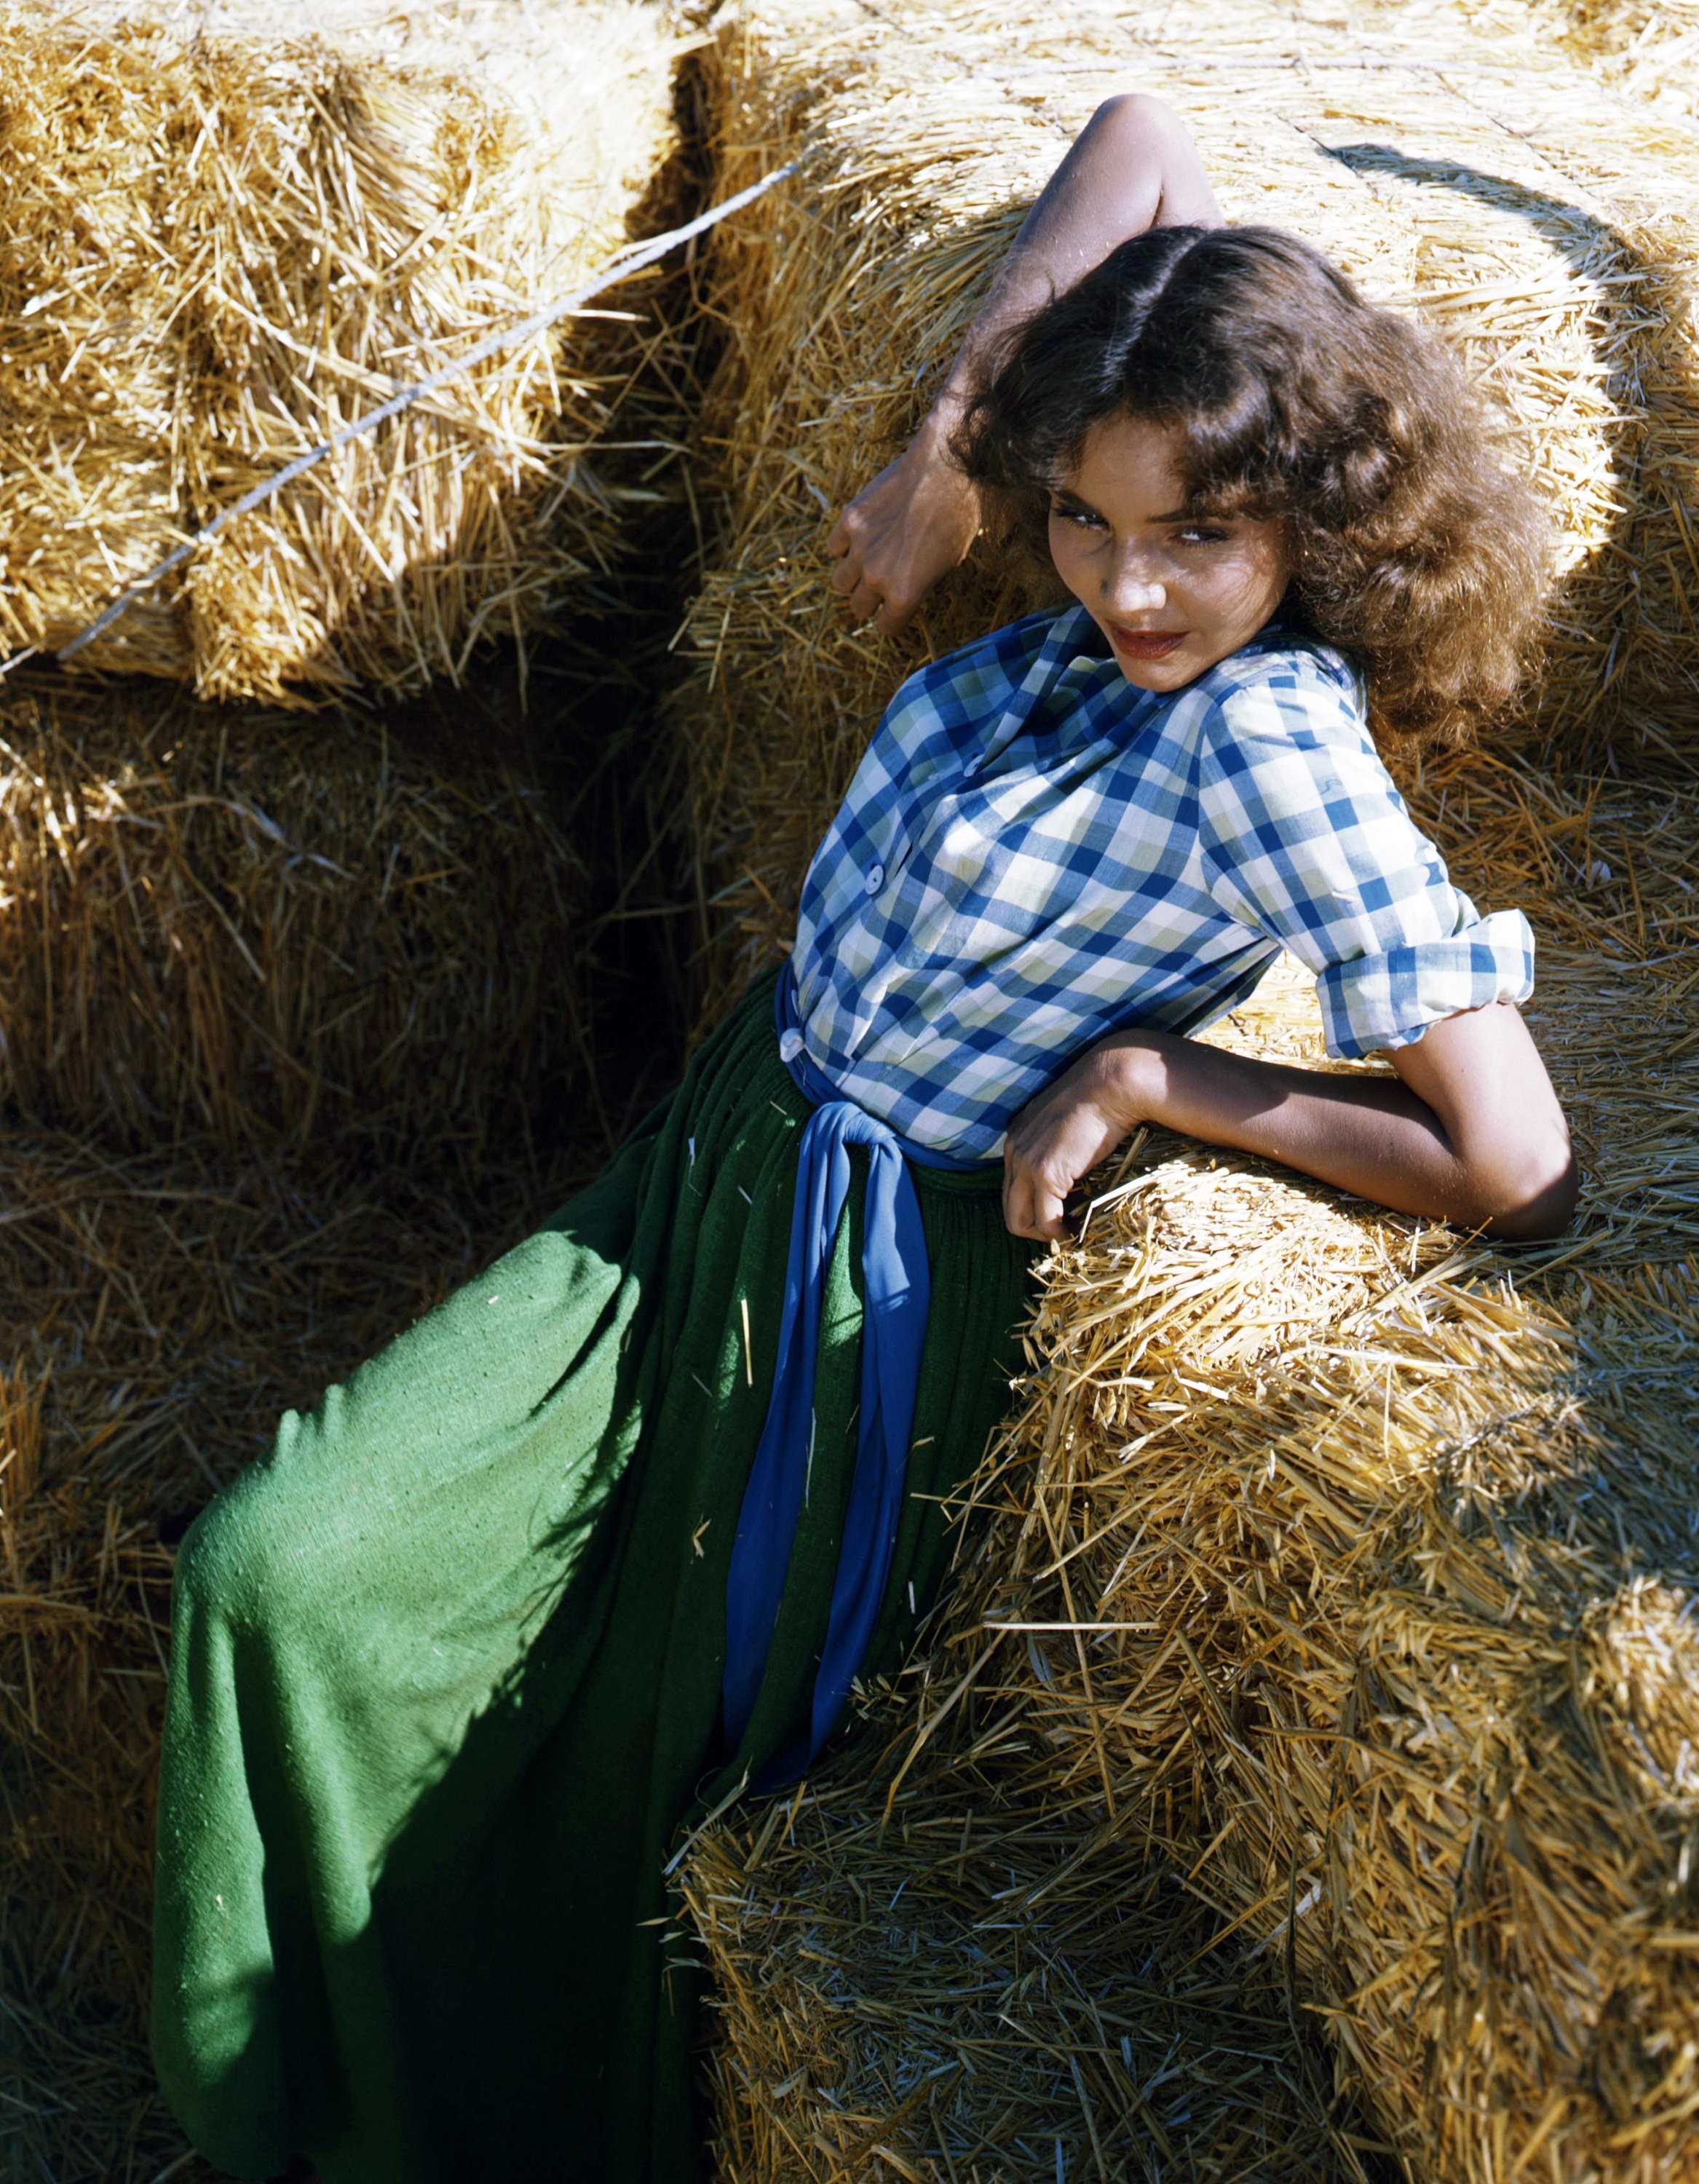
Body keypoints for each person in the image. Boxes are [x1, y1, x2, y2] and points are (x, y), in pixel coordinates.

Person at [151, 93, 1576, 2184]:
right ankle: (309, 2110)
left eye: (1196, 535)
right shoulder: (1086, 613)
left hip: (867, 1283)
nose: (1129, 583)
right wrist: (941, 453)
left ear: (1314, 523)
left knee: (629, 1779)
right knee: (278, 1569)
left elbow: (1522, 1165)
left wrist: (1169, 1083)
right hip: (716, 1168)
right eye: (1088, 520)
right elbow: (1141, 138)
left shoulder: (1277, 739)